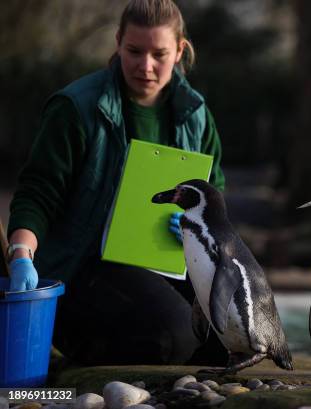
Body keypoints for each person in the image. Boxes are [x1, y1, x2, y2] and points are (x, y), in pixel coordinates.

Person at [6, 0, 227, 365]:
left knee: (231, 332)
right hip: (85, 271)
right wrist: (21, 256)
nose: (146, 66)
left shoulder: (196, 114)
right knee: (174, 336)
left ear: (180, 51)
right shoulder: (75, 108)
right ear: (117, 42)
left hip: (169, 262)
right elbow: (38, 193)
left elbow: (216, 195)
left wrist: (200, 227)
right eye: (134, 51)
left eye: (160, 54)